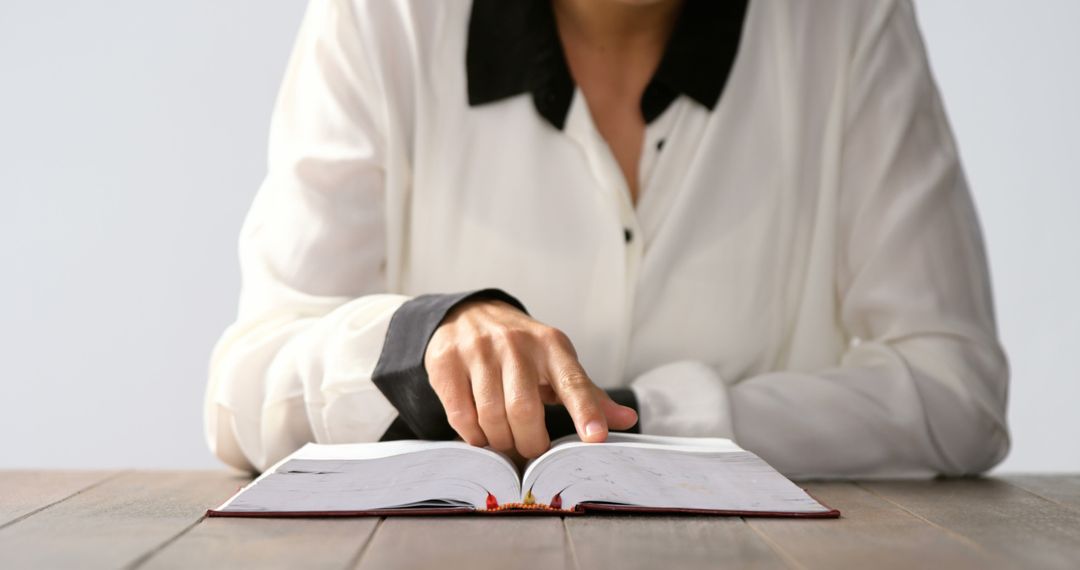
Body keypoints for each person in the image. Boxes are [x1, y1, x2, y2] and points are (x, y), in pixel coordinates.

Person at [204, 0, 1010, 477]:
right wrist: (423, 341)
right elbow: (240, 390)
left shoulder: (849, 21)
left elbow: (958, 387)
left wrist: (645, 417)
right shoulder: (384, 16)